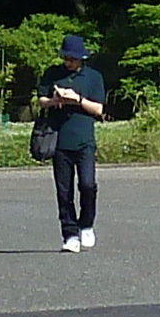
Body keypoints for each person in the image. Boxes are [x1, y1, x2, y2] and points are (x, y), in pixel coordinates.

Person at [41, 31, 107, 253]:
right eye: (65, 58)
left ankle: (86, 224)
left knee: (87, 185)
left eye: (72, 59)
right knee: (63, 191)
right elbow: (41, 100)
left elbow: (98, 109)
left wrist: (77, 100)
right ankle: (69, 234)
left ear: (82, 58)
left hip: (84, 140)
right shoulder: (52, 74)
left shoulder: (93, 77)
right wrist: (55, 100)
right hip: (59, 140)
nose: (68, 62)